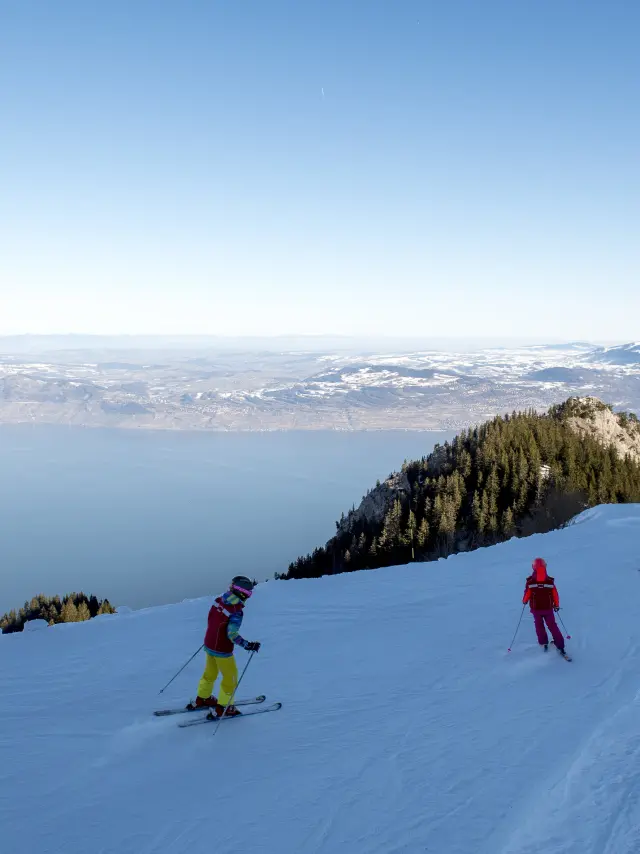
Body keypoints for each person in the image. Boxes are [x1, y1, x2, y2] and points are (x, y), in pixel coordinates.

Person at [188, 575, 261, 718]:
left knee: (210, 674)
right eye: (249, 593)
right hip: (222, 650)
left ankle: (202, 698)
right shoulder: (236, 611)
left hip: (209, 644)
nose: (249, 596)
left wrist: (212, 637)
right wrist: (248, 645)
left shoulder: (219, 601)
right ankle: (224, 708)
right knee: (230, 678)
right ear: (242, 593)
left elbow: (211, 620)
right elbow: (232, 635)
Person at [522, 557, 566, 654]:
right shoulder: (549, 581)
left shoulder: (530, 582)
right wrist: (557, 605)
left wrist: (524, 601)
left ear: (533, 567)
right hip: (548, 609)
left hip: (536, 609)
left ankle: (543, 642)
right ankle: (560, 645)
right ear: (544, 566)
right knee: (552, 625)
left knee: (539, 625)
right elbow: (555, 594)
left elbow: (527, 593)